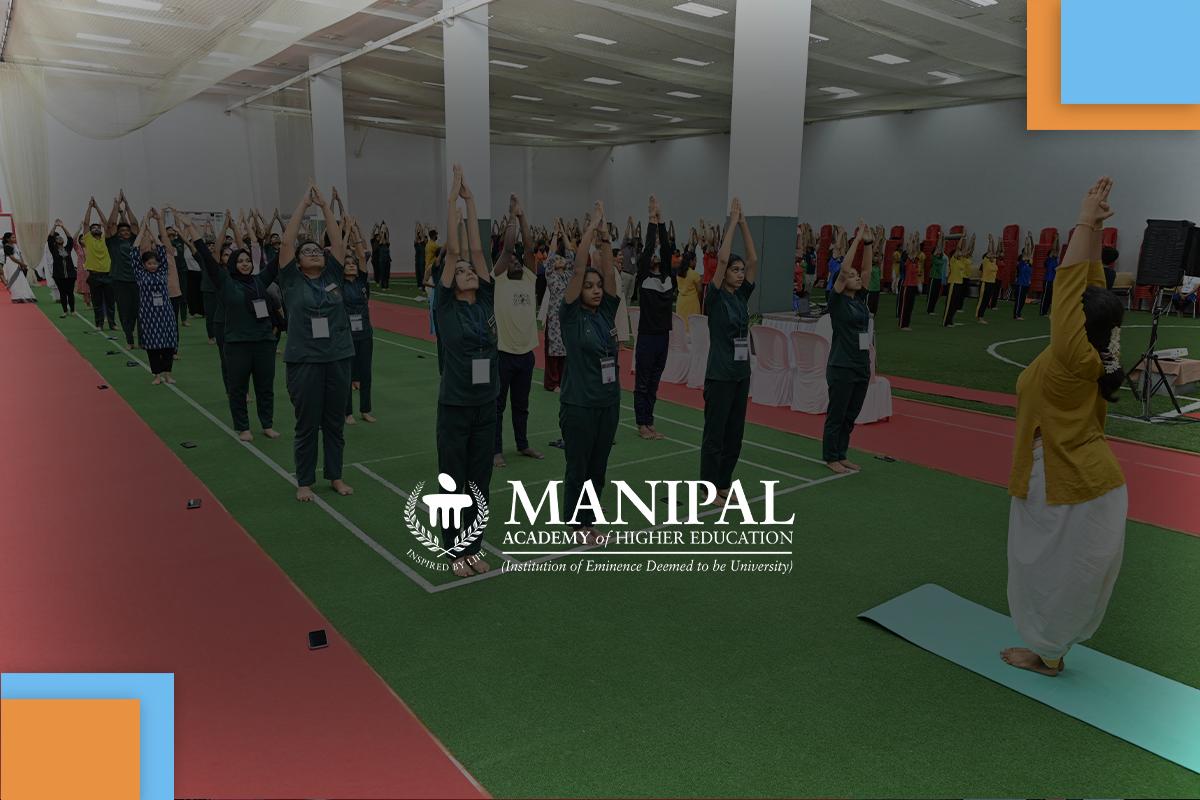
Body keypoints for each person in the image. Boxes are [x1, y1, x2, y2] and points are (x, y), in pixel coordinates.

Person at [1002, 175, 1128, 677]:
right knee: (1065, 576)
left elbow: (1071, 287)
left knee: (1047, 575)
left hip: (1065, 481)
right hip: (1090, 482)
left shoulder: (1072, 356)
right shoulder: (1093, 352)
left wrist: (1081, 222)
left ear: (1078, 325)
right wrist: (1094, 230)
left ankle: (1047, 655)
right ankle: (1052, 650)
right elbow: (1090, 288)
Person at [433, 164, 497, 577]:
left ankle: (473, 548)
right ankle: (455, 551)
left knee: (479, 484)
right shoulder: (445, 306)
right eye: (460, 272)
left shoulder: (486, 301)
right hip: (455, 406)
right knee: (453, 483)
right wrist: (452, 198)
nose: (468, 270)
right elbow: (457, 251)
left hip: (486, 406)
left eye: (471, 270)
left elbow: (476, 249)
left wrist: (472, 201)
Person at [278, 180, 355, 502]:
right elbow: (287, 241)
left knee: (335, 424)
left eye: (316, 250)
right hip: (304, 361)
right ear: (297, 262)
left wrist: (325, 206)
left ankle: (335, 476)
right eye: (306, 252)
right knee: (307, 425)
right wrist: (304, 204)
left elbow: (337, 242)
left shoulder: (333, 277)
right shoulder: (291, 280)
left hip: (337, 359)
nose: (313, 253)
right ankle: (305, 481)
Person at [178, 210, 281, 442]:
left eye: (247, 261)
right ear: (232, 264)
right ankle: (244, 427)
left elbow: (280, 257)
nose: (244, 264)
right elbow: (206, 255)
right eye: (240, 261)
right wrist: (191, 227)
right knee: (238, 388)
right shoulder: (224, 281)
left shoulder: (260, 280)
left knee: (265, 388)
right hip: (237, 344)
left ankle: (267, 424)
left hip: (264, 343)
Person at [559, 202, 620, 541]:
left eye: (598, 286)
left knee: (598, 470)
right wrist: (589, 231)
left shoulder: (606, 312)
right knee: (578, 468)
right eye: (589, 286)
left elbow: (609, 274)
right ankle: (575, 524)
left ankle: (589, 521)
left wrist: (606, 238)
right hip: (579, 406)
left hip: (608, 403)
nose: (596, 290)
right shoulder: (571, 316)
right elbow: (579, 269)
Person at [702, 197, 758, 506]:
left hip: (740, 375)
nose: (739, 273)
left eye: (740, 271)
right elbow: (722, 260)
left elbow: (753, 260)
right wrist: (732, 224)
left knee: (735, 436)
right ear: (723, 274)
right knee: (715, 435)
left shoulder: (740, 296)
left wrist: (745, 223)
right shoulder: (714, 297)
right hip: (720, 375)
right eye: (733, 270)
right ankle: (708, 489)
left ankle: (723, 484)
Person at [492, 193, 544, 468]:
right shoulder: (499, 280)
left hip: (526, 355)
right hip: (503, 354)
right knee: (498, 406)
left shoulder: (528, 278)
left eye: (518, 261)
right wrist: (511, 215)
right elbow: (509, 249)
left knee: (521, 405)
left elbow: (529, 249)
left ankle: (522, 445)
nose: (515, 262)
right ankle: (496, 450)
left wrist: (523, 216)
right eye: (511, 261)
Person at [821, 220, 874, 475]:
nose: (856, 277)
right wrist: (855, 241)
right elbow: (843, 271)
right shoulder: (837, 301)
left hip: (861, 366)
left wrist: (869, 242)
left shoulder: (860, 299)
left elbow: (867, 269)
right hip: (842, 365)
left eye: (856, 275)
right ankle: (831, 457)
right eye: (851, 276)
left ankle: (841, 454)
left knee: (850, 415)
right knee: (837, 415)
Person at [633, 195, 677, 440]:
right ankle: (641, 424)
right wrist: (651, 219)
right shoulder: (644, 278)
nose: (656, 255)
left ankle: (649, 421)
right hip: (647, 337)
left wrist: (661, 219)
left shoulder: (667, 277)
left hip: (663, 337)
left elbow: (666, 247)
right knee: (642, 383)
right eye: (651, 256)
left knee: (654, 383)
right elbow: (650, 246)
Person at [131, 209, 178, 385]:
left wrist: (152, 232)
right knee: (152, 345)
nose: (152, 265)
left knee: (168, 344)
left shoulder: (163, 270)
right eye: (149, 263)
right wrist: (142, 230)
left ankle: (168, 374)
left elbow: (162, 249)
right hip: (148, 313)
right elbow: (134, 251)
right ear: (143, 264)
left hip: (165, 312)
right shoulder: (140, 273)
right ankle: (157, 375)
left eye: (155, 263)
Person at [341, 218, 376, 425]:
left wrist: (354, 231)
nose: (352, 266)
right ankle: (347, 413)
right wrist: (345, 232)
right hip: (346, 335)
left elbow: (362, 256)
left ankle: (365, 410)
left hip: (365, 334)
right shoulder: (338, 283)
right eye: (347, 264)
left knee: (365, 374)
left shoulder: (362, 281)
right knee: (347, 374)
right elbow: (338, 255)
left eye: (353, 263)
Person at [106, 191, 142, 350]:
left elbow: (134, 223)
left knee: (139, 311)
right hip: (119, 281)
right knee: (125, 312)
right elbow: (111, 224)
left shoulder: (134, 241)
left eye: (127, 230)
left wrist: (127, 205)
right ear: (118, 234)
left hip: (136, 280)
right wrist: (116, 206)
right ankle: (130, 341)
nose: (126, 232)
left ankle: (142, 340)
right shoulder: (113, 243)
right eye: (123, 231)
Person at [542, 222, 575, 392]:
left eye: (561, 258)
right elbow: (550, 256)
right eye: (557, 259)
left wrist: (564, 233)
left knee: (565, 349)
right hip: (555, 316)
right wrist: (555, 234)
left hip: (568, 316)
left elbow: (571, 255)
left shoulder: (569, 274)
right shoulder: (551, 275)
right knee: (554, 350)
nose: (560, 259)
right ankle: (552, 382)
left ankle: (563, 380)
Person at [81, 199, 116, 330]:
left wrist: (97, 207)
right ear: (90, 232)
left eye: (98, 227)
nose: (96, 228)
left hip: (108, 275)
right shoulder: (88, 240)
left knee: (110, 301)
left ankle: (112, 324)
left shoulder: (106, 240)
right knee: (97, 302)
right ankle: (99, 324)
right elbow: (86, 223)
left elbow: (107, 224)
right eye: (93, 228)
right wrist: (89, 207)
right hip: (94, 276)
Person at [47, 221, 78, 318]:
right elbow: (50, 237)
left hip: (70, 274)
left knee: (70, 293)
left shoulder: (67, 248)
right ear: (55, 241)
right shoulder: (53, 249)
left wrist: (63, 227)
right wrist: (55, 226)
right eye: (58, 238)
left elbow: (70, 238)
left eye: (61, 238)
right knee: (63, 293)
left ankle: (72, 310)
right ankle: (65, 311)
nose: (60, 239)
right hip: (59, 275)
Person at [942, 233, 972, 327]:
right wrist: (962, 237)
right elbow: (959, 247)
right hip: (953, 283)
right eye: (959, 252)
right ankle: (946, 322)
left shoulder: (961, 260)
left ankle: (950, 320)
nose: (961, 252)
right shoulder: (953, 260)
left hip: (959, 283)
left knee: (955, 304)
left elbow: (967, 249)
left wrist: (970, 239)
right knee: (950, 303)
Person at [898, 233, 923, 330]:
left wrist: (918, 239)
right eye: (909, 255)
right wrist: (913, 239)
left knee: (910, 307)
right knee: (905, 306)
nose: (912, 255)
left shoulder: (915, 262)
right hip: (907, 286)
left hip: (914, 286)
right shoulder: (907, 263)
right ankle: (902, 325)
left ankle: (907, 324)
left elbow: (918, 251)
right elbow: (913, 251)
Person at [975, 234, 1001, 324]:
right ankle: (979, 317)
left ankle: (981, 317)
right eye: (990, 254)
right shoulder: (986, 261)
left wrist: (994, 241)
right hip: (985, 283)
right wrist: (990, 241)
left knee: (986, 301)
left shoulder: (994, 262)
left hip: (992, 283)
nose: (993, 254)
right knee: (982, 301)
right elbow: (990, 250)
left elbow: (994, 251)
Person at [1039, 232, 1060, 317]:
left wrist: (1058, 240)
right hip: (1048, 280)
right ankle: (1042, 312)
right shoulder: (1049, 260)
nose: (1055, 253)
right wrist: (1055, 239)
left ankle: (1046, 312)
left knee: (1050, 297)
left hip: (1053, 280)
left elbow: (1057, 249)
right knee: (1046, 296)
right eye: (1053, 252)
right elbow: (1054, 249)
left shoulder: (1055, 260)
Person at [1013, 235, 1033, 321]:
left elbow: (1028, 254)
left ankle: (1019, 314)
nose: (1027, 257)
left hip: (1026, 284)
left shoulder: (1028, 265)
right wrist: (1026, 244)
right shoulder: (1021, 265)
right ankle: (1016, 315)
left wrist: (1029, 244)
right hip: (1020, 284)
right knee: (1019, 301)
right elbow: (1025, 254)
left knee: (1022, 301)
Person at [926, 231, 946, 316]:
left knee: (936, 295)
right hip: (933, 277)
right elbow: (938, 246)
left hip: (939, 277)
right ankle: (929, 310)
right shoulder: (934, 258)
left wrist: (944, 239)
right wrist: (940, 237)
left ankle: (932, 310)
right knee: (931, 294)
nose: (940, 250)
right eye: (938, 250)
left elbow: (943, 247)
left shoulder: (941, 257)